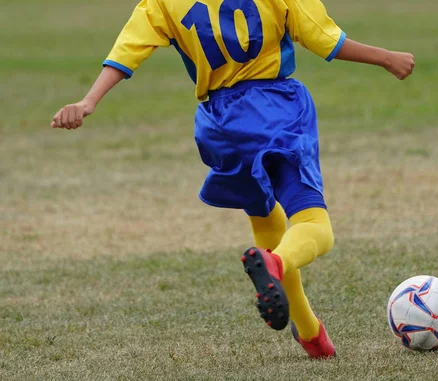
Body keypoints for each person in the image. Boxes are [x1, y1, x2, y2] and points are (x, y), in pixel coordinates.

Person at [51, 0, 415, 359]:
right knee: (314, 224)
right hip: (274, 110)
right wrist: (386, 57)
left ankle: (311, 334)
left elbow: (127, 51)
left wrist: (88, 101)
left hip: (218, 124)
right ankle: (275, 263)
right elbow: (325, 40)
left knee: (265, 214)